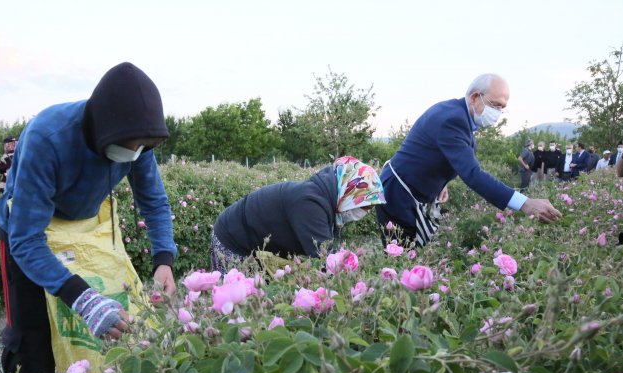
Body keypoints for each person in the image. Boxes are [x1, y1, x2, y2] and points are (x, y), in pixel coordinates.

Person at [0, 62, 176, 373]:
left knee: (106, 310)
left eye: (143, 147)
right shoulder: (48, 137)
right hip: (30, 228)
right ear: (103, 130)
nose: (134, 153)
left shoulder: (137, 144)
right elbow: (25, 239)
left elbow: (154, 202)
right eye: (130, 146)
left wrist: (163, 259)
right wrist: (81, 298)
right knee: (31, 333)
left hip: (86, 225)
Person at [376, 73, 561, 246]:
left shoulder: (460, 116)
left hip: (411, 191)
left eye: (502, 108)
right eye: (494, 105)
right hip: (399, 193)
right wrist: (525, 203)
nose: (498, 113)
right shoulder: (453, 119)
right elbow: (473, 174)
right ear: (474, 97)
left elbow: (433, 150)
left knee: (414, 255)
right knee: (403, 257)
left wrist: (443, 183)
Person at [211, 156, 385, 273]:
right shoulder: (310, 204)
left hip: (253, 243)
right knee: (239, 306)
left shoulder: (321, 199)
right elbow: (324, 259)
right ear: (349, 192)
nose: (365, 212)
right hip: (233, 240)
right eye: (365, 205)